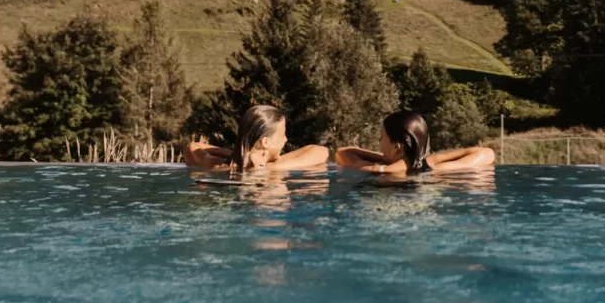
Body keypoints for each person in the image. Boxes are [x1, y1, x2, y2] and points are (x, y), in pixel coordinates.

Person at [335, 110, 495, 175]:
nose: (379, 142)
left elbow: (342, 153)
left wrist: (387, 162)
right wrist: (412, 159)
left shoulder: (377, 170)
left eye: (381, 138)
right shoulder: (434, 168)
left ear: (397, 146)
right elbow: (486, 153)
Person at [184, 105, 329, 172]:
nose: (285, 139)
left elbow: (193, 148)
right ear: (265, 142)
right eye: (283, 134)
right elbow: (321, 152)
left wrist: (237, 155)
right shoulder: (276, 169)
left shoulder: (219, 166)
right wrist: (269, 168)